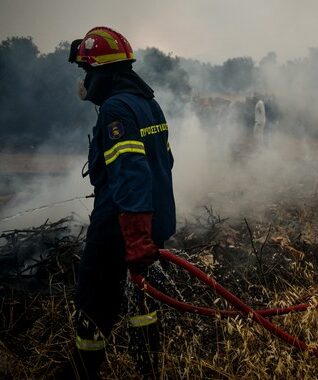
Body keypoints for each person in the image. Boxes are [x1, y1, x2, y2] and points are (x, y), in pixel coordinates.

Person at [62, 26, 176, 379]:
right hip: (153, 220)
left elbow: (131, 173)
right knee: (144, 303)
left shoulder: (115, 108)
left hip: (121, 225)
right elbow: (165, 163)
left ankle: (84, 370)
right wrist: (148, 230)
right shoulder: (148, 103)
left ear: (101, 72)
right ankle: (149, 370)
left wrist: (134, 233)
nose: (84, 79)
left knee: (94, 302)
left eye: (86, 71)